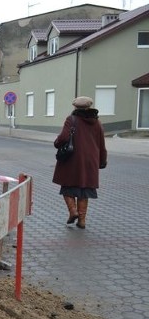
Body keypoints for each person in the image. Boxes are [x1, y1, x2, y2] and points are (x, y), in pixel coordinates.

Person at [52, 96, 107, 229]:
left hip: (73, 159)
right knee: (84, 190)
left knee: (67, 187)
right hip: (90, 161)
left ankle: (73, 211)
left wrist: (57, 143)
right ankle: (82, 220)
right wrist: (102, 160)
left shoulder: (72, 119)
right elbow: (101, 144)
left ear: (75, 107)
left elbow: (64, 137)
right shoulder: (97, 122)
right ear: (89, 107)